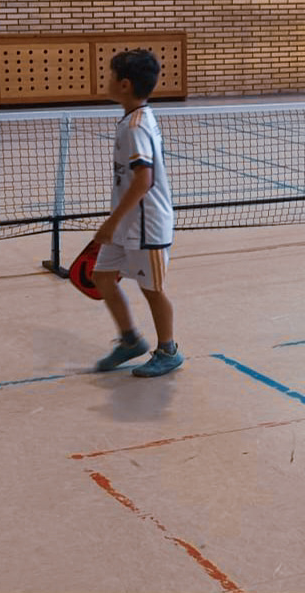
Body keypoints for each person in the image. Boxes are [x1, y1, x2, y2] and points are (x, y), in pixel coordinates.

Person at [92, 50, 183, 377]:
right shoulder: (135, 117)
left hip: (147, 226)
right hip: (126, 224)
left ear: (125, 84)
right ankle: (130, 340)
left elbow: (144, 180)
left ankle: (168, 351)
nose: (107, 80)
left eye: (111, 75)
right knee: (102, 277)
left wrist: (111, 222)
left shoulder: (135, 126)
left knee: (152, 290)